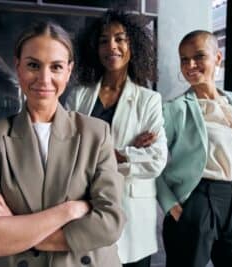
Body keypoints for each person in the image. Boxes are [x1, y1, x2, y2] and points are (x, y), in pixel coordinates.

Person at [0, 21, 125, 267]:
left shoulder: (96, 134)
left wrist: (16, 227)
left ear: (69, 71)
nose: (44, 79)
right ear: (18, 67)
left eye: (56, 67)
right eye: (33, 65)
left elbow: (109, 223)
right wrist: (67, 211)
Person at [65, 10, 167, 267]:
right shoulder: (79, 97)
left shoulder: (148, 100)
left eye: (120, 39)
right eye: (103, 40)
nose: (112, 46)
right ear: (94, 48)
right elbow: (66, 152)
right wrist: (128, 151)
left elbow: (156, 160)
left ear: (133, 44)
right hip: (86, 206)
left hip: (132, 215)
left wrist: (102, 155)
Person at [156, 30, 232, 267]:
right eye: (184, 59)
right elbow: (153, 162)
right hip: (198, 201)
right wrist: (171, 205)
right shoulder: (174, 109)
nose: (190, 65)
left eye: (199, 56)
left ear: (218, 58)